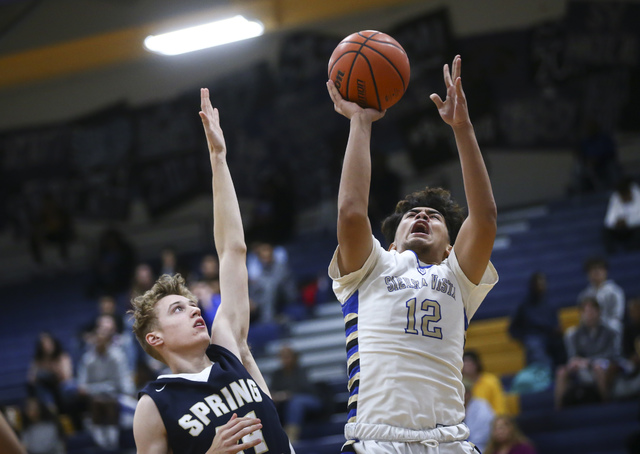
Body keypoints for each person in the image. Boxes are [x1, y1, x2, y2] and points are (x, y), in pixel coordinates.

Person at [327, 54, 498, 453]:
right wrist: (360, 123)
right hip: (377, 440)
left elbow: (485, 217)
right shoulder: (370, 267)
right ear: (390, 243)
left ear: (452, 246)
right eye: (411, 215)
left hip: (449, 441)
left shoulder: (459, 276)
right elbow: (352, 212)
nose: (421, 215)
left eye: (434, 217)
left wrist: (462, 127)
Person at [129, 88, 293, 454]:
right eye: (177, 309)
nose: (193, 310)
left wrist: (219, 158)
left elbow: (232, 251)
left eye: (189, 305)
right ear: (155, 338)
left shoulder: (228, 348)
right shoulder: (154, 405)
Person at [77, 315, 135, 451]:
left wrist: (99, 389)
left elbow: (121, 385)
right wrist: (103, 389)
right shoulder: (87, 360)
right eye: (97, 339)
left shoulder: (117, 357)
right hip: (95, 399)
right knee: (98, 402)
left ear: (108, 341)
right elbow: (82, 387)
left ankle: (112, 442)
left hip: (118, 396)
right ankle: (102, 443)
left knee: (107, 402)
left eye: (103, 339)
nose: (100, 342)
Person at [554, 296, 618, 409]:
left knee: (598, 367)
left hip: (604, 365)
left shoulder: (609, 331)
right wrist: (577, 362)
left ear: (598, 312)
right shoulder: (574, 334)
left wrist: (590, 362)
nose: (589, 314)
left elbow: (611, 354)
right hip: (582, 367)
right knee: (561, 371)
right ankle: (559, 409)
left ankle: (606, 403)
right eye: (585, 311)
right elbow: (573, 356)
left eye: (592, 311)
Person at [508, 272, 565, 369]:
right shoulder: (524, 305)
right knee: (535, 345)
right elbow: (513, 328)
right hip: (533, 337)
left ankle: (561, 371)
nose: (541, 286)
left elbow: (556, 324)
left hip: (550, 336)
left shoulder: (549, 304)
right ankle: (545, 373)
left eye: (543, 283)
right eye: (538, 284)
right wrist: (524, 338)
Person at [269, 345, 323, 443]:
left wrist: (288, 394)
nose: (285, 360)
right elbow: (271, 390)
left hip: (309, 399)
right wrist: (277, 396)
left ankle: (291, 436)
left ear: (294, 357)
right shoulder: (277, 374)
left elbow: (305, 388)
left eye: (287, 356)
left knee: (296, 402)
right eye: (282, 357)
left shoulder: (302, 371)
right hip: (286, 402)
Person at [577, 256, 625, 342]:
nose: (596, 272)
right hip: (590, 327)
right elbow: (582, 315)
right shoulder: (584, 295)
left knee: (615, 325)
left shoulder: (615, 291)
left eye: (599, 269)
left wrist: (600, 322)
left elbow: (617, 315)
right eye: (593, 269)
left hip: (609, 324)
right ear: (588, 274)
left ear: (606, 271)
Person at [462, 350, 507, 415]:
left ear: (477, 363)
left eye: (470, 362)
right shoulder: (458, 383)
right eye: (465, 362)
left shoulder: (491, 381)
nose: (467, 365)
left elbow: (500, 408)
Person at [603, 176, 640, 254]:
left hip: (635, 227)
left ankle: (632, 250)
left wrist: (628, 221)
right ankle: (611, 253)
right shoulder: (615, 197)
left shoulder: (638, 194)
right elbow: (609, 219)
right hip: (623, 228)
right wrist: (615, 222)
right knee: (605, 231)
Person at [462, 378, 494, 453]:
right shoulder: (452, 408)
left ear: (467, 394)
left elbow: (481, 437)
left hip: (479, 448)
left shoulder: (482, 407)